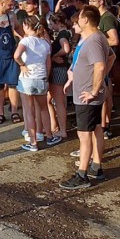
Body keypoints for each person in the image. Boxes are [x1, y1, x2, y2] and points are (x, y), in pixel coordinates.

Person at [60, 6, 112, 190]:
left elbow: (100, 66)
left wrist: (94, 90)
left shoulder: (94, 40)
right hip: (86, 93)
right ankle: (96, 167)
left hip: (87, 96)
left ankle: (82, 175)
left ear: (86, 20)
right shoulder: (96, 38)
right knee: (96, 128)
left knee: (84, 134)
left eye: (80, 17)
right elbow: (111, 57)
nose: (76, 21)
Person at [14, 15, 52, 151]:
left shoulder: (25, 41)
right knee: (43, 109)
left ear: (26, 26)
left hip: (27, 78)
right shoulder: (45, 43)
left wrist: (22, 65)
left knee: (29, 111)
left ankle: (33, 142)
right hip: (41, 77)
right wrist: (46, 76)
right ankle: (49, 136)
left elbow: (16, 56)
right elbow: (48, 63)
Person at [89, 0, 120, 136]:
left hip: (106, 59)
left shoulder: (106, 18)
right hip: (102, 58)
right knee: (105, 92)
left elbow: (114, 40)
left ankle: (105, 125)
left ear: (101, 2)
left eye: (93, 1)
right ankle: (104, 123)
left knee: (105, 93)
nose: (90, 4)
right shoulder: (100, 17)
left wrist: (95, 41)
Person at [46, 13, 71, 144]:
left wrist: (54, 55)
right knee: (50, 100)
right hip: (60, 69)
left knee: (59, 101)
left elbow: (66, 48)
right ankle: (54, 125)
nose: (51, 26)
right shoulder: (67, 33)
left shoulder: (62, 35)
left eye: (51, 24)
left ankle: (62, 129)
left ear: (57, 23)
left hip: (58, 70)